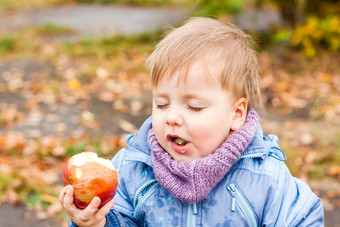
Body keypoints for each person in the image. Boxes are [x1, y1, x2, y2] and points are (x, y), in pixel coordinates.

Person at [59, 17, 324, 226]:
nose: (171, 117)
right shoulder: (133, 169)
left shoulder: (264, 178)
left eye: (194, 107)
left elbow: (302, 217)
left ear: (236, 114)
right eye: (161, 104)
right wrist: (94, 223)